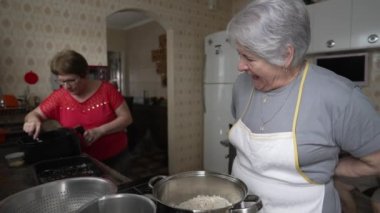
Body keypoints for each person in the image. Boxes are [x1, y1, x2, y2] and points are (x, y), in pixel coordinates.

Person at [226, 0, 380, 212]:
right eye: (240, 54)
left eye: (249, 57)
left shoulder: (339, 97)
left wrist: (332, 169)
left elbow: (376, 160)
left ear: (285, 55)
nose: (240, 66)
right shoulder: (242, 85)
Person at [23, 49, 133, 168]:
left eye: (71, 80)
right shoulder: (58, 97)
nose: (66, 87)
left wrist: (101, 131)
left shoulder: (107, 90)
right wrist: (33, 120)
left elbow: (127, 118)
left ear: (85, 74)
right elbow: (33, 114)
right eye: (62, 81)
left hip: (116, 157)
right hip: (81, 160)